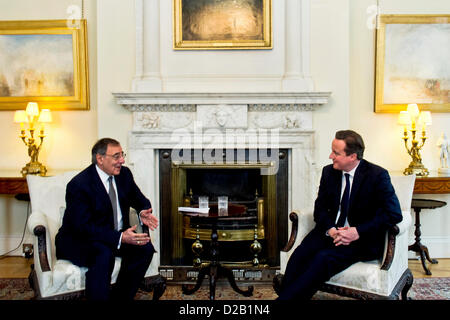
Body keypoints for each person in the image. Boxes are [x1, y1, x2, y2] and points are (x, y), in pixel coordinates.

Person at [277, 130, 402, 300]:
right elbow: (319, 207)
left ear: (352, 156)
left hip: (361, 239)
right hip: (331, 232)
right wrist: (330, 229)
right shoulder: (329, 172)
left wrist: (357, 231)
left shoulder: (377, 175)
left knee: (323, 259)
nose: (330, 156)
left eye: (336, 153)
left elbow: (394, 214)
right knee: (300, 254)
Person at [55, 138, 159, 301]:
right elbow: (83, 227)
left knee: (144, 249)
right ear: (100, 158)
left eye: (122, 155)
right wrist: (120, 237)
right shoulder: (79, 185)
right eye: (116, 156)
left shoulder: (124, 175)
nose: (122, 160)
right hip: (80, 239)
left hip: (112, 236)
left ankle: (120, 297)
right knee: (103, 255)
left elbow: (139, 199)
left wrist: (143, 211)